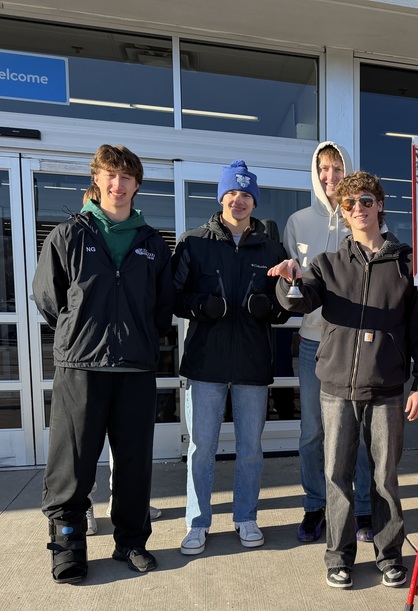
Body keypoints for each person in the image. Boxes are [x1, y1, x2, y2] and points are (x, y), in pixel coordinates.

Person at [269, 171, 418, 590]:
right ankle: (339, 557)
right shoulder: (327, 264)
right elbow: (299, 301)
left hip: (387, 387)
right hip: (337, 386)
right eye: (349, 205)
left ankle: (389, 555)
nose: (358, 209)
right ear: (342, 213)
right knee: (337, 475)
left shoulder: (408, 263)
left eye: (365, 201)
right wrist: (290, 279)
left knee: (384, 477)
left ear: (379, 204)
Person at [32, 144, 174, 583]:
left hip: (135, 369)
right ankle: (68, 545)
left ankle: (131, 542)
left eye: (126, 177)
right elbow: (48, 298)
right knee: (71, 463)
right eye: (110, 175)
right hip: (82, 367)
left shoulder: (152, 243)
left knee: (134, 463)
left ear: (137, 184)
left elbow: (162, 306)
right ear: (96, 179)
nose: (118, 184)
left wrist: (141, 339)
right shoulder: (68, 235)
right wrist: (81, 333)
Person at [172, 161, 290, 556]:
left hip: (253, 364)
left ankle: (246, 516)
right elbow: (173, 297)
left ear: (254, 201)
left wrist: (271, 309)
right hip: (206, 363)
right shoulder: (193, 242)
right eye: (232, 193)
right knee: (202, 447)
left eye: (246, 194)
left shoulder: (272, 248)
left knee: (250, 447)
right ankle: (197, 522)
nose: (239, 201)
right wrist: (201, 305)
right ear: (221, 197)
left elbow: (286, 302)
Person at [280, 142, 374, 544]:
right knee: (312, 434)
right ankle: (315, 505)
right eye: (324, 169)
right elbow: (294, 290)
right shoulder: (298, 222)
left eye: (337, 168)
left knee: (362, 431)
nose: (330, 177)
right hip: (313, 344)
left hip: (358, 344)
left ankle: (367, 508)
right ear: (314, 173)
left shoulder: (363, 218)